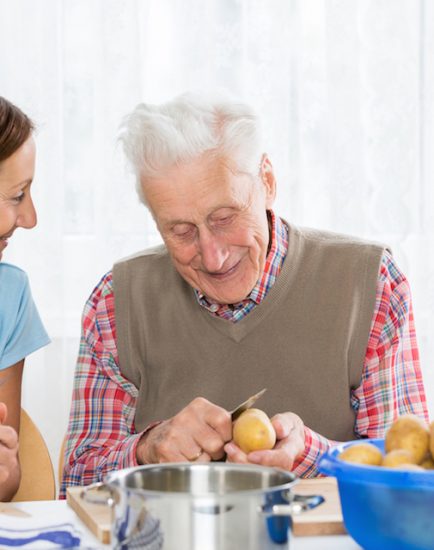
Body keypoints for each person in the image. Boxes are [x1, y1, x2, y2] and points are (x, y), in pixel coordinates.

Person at [60, 92, 428, 496]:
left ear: (267, 182)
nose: (213, 257)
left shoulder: (371, 285)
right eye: (180, 231)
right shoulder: (115, 303)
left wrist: (310, 455)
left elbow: (407, 480)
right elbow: (76, 484)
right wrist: (147, 449)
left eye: (225, 217)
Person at [0, 97, 50, 501]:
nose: (30, 218)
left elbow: (8, 480)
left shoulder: (9, 296)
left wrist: (5, 469)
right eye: (17, 195)